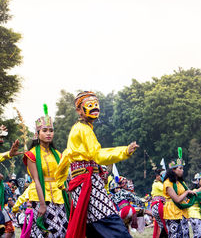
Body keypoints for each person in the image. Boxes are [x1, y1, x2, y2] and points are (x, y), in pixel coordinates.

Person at [55, 91, 139, 238]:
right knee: (109, 219)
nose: (95, 108)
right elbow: (98, 155)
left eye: (96, 104)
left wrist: (60, 181)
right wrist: (124, 151)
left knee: (93, 225)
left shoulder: (80, 128)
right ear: (79, 110)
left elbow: (66, 155)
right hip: (88, 183)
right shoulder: (83, 129)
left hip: (82, 183)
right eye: (89, 105)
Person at [23, 104, 69, 237]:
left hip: (59, 197)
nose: (48, 133)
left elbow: (63, 179)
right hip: (41, 197)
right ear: (37, 134)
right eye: (44, 130)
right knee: (53, 231)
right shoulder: (31, 154)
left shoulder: (58, 155)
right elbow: (36, 180)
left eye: (51, 130)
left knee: (64, 231)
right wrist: (42, 205)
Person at [162, 147, 195, 238]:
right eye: (180, 168)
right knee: (174, 235)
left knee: (185, 235)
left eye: (182, 168)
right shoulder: (168, 183)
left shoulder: (181, 182)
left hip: (182, 212)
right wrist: (187, 192)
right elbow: (177, 199)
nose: (182, 170)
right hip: (172, 213)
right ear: (173, 170)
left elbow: (190, 194)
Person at [150, 168, 167, 238]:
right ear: (157, 176)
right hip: (158, 206)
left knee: (163, 226)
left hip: (157, 206)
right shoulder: (157, 184)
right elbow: (166, 189)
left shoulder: (156, 183)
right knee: (165, 226)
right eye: (162, 175)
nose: (163, 177)